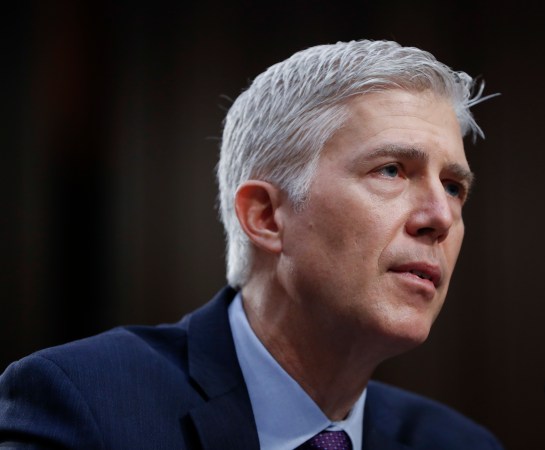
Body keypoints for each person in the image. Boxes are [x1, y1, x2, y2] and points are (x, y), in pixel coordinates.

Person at [0, 40, 502, 449]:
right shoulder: (85, 404)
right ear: (265, 216)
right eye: (391, 170)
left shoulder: (460, 444)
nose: (441, 217)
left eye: (453, 187)